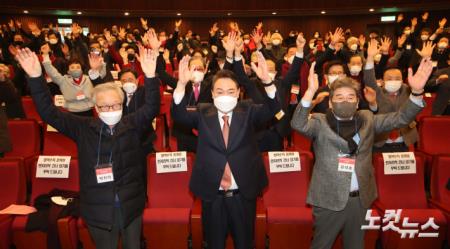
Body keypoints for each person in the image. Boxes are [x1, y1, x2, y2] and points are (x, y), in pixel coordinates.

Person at [16, 45, 161, 249]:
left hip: (130, 207)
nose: (110, 110)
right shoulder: (83, 128)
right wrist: (35, 77)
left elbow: (152, 106)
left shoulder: (132, 125)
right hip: (97, 210)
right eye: (104, 106)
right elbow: (49, 113)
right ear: (95, 108)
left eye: (115, 105)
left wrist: (151, 76)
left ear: (122, 105)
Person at [290, 57, 433, 249]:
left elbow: (400, 119)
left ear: (358, 102)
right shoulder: (319, 121)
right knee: (321, 245)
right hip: (328, 200)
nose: (345, 101)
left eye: (350, 97)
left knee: (357, 245)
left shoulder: (367, 118)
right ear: (330, 103)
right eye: (339, 98)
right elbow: (297, 124)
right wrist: (309, 93)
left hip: (360, 200)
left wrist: (416, 92)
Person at [171, 51, 280, 249]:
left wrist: (267, 82)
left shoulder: (247, 110)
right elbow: (178, 114)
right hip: (212, 194)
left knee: (244, 243)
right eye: (219, 92)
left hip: (243, 193)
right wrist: (180, 85)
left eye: (231, 91)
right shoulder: (203, 111)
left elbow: (272, 108)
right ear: (212, 94)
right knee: (214, 243)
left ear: (239, 93)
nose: (225, 96)